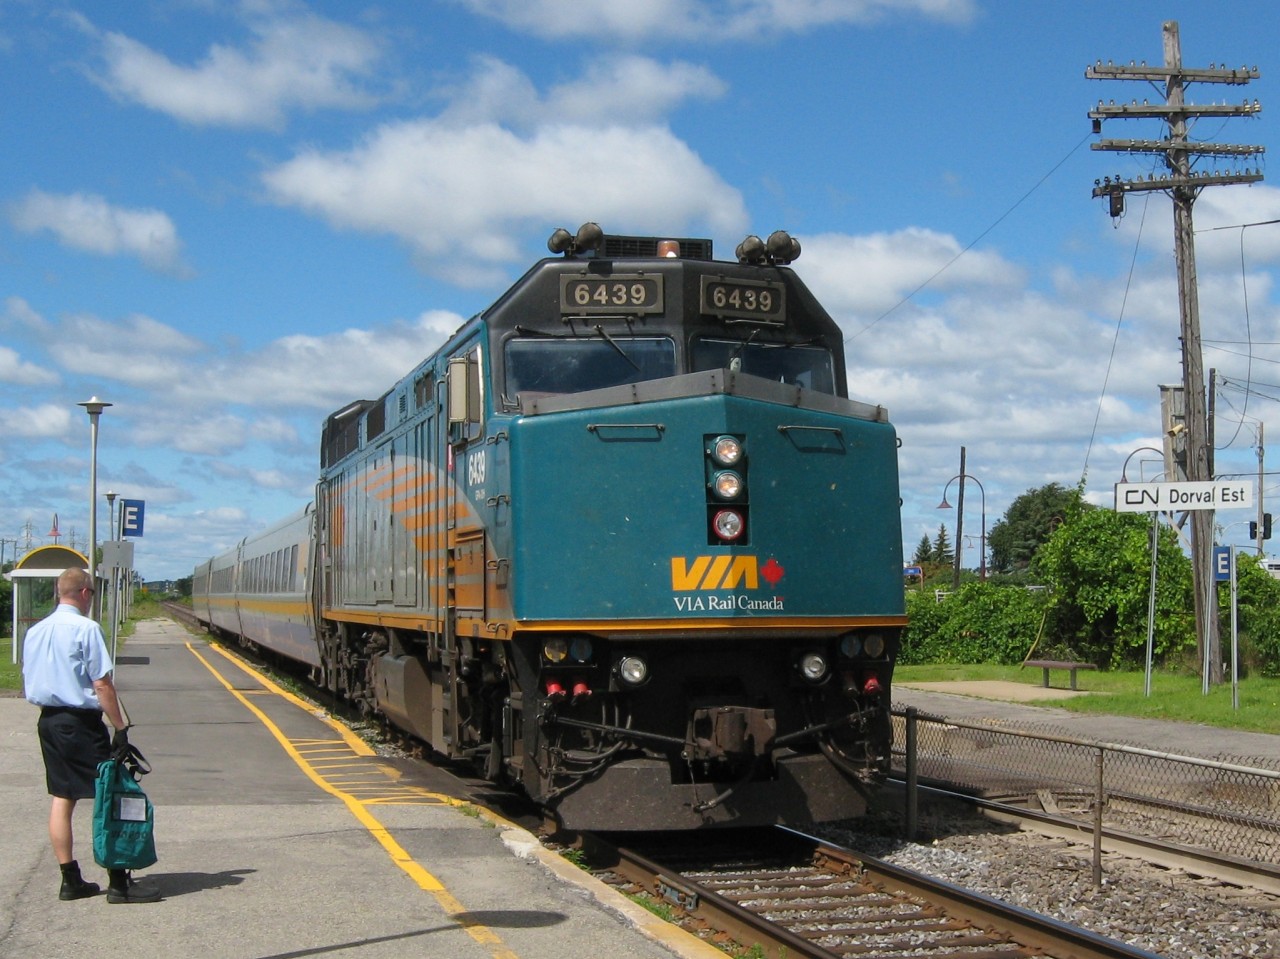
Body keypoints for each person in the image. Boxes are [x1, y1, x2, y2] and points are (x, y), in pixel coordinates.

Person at [22, 567, 160, 904]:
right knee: (111, 794)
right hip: (81, 723)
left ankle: (70, 879)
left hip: (49, 722)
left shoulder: (36, 631)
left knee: (62, 796)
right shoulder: (86, 629)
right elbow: (102, 683)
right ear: (85, 593)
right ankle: (119, 882)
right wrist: (120, 728)